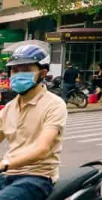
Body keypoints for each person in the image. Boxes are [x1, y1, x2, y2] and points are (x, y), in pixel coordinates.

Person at [0, 44, 67, 199]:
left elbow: (42, 149)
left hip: (37, 177)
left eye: (26, 70)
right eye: (15, 70)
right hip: (7, 175)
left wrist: (5, 164)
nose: (18, 74)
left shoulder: (54, 105)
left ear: (42, 73)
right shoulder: (9, 108)